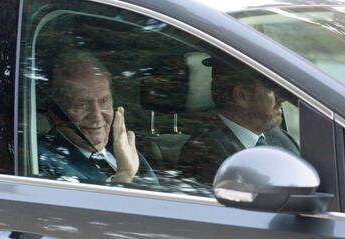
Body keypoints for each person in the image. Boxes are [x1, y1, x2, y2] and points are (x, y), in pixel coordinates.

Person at [38, 52, 157, 185]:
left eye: (104, 101)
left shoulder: (121, 145)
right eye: (81, 104)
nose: (97, 116)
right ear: (55, 114)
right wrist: (123, 178)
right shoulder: (42, 158)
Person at [178, 55, 299, 187]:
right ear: (243, 96)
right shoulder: (205, 155)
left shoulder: (283, 140)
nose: (282, 98)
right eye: (272, 89)